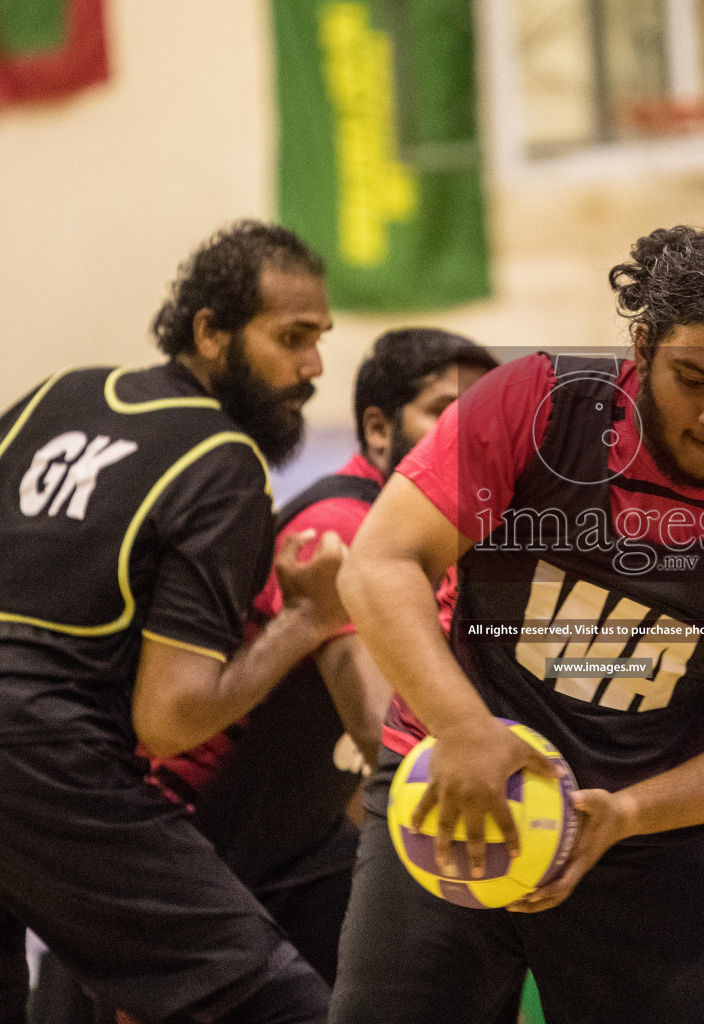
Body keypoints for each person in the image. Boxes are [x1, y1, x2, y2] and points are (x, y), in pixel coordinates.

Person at [330, 225, 704, 1024]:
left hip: (652, 836)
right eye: (694, 379)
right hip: (453, 791)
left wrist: (631, 813)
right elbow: (380, 564)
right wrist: (464, 731)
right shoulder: (534, 404)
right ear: (643, 347)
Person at [0, 221, 346, 1024]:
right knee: (279, 1004)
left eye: (320, 339)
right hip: (35, 749)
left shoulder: (56, 395)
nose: (314, 366)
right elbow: (171, 717)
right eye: (291, 338)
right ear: (210, 331)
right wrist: (303, 621)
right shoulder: (222, 462)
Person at [145, 326, 498, 987]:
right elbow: (376, 730)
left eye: (486, 423)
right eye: (445, 415)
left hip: (288, 848)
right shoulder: (339, 529)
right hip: (186, 847)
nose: (471, 441)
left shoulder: (437, 551)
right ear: (377, 427)